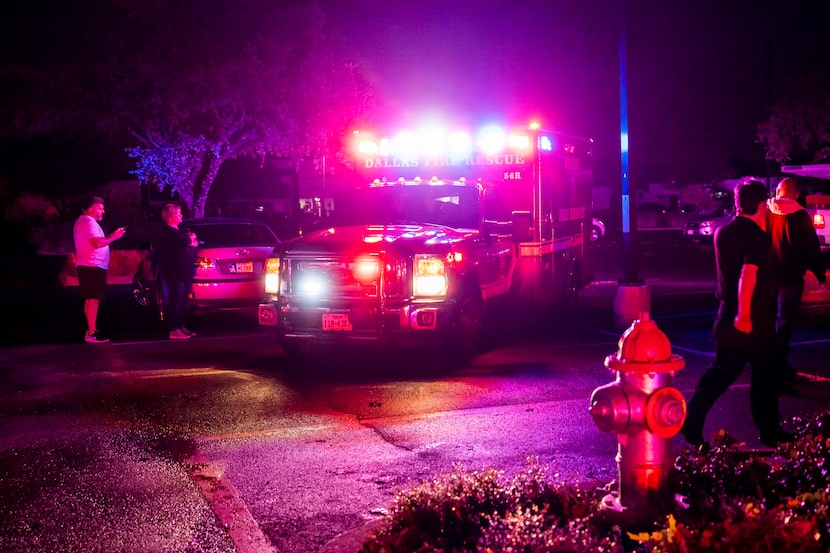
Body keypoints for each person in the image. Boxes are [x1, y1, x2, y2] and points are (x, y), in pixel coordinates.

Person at [681, 179, 794, 449]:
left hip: (725, 312)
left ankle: (692, 422)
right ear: (759, 204)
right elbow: (749, 273)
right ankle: (769, 430)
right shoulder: (757, 236)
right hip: (751, 317)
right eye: (765, 203)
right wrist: (745, 316)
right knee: (766, 372)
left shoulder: (723, 231)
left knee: (721, 372)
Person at [765, 177, 827, 384]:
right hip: (790, 278)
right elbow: (811, 249)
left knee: (767, 322)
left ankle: (766, 363)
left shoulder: (765, 212)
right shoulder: (800, 216)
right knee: (784, 324)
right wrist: (820, 274)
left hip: (767, 278)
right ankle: (780, 367)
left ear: (778, 191)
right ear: (797, 194)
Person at [73, 196, 127, 343]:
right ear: (91, 208)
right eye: (100, 208)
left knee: (91, 300)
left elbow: (98, 241)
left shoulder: (86, 222)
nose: (103, 211)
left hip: (91, 266)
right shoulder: (87, 222)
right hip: (92, 266)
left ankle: (91, 330)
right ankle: (91, 333)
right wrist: (114, 237)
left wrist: (112, 235)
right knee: (93, 300)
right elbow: (97, 243)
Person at [155, 203, 198, 340]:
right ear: (170, 216)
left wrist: (191, 240)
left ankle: (180, 326)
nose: (181, 216)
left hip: (185, 271)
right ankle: (174, 329)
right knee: (176, 300)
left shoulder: (180, 230)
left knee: (183, 300)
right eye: (178, 213)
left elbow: (192, 242)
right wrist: (189, 240)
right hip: (175, 272)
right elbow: (186, 242)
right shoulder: (168, 232)